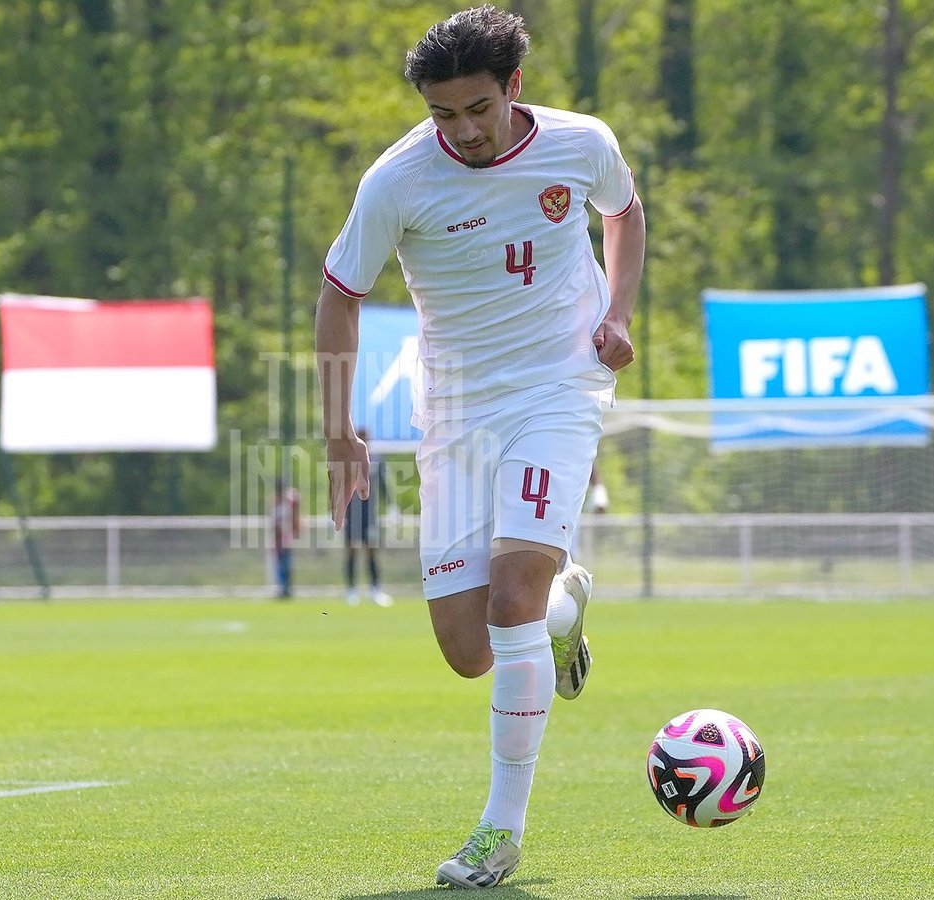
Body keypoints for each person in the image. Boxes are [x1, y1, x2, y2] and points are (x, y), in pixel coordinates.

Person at [315, 5, 644, 888]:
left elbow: (627, 212)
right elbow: (340, 290)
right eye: (441, 115)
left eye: (476, 110)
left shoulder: (581, 144)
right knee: (468, 650)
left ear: (514, 87)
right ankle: (565, 609)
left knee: (509, 597)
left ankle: (501, 831)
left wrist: (616, 314)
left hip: (557, 389)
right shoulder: (398, 180)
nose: (460, 130)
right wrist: (338, 429)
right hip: (454, 411)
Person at [343, 429, 393, 607]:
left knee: (372, 550)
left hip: (370, 515)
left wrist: (391, 506)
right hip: (351, 514)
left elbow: (384, 484)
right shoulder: (348, 461)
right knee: (351, 550)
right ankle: (351, 590)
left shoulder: (377, 460)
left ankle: (375, 589)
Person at [271, 477, 302, 599]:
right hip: (279, 538)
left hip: (287, 537)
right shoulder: (276, 502)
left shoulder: (290, 500)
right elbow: (274, 521)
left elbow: (295, 517)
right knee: (280, 564)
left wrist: (295, 531)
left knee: (287, 563)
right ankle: (282, 587)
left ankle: (287, 587)